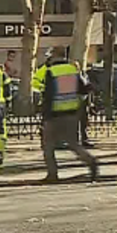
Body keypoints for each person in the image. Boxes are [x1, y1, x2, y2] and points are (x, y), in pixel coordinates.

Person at [41, 48, 98, 183]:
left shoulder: (51, 72)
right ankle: (91, 161)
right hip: (72, 113)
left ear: (55, 57)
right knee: (73, 144)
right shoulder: (73, 70)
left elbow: (48, 96)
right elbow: (86, 88)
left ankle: (52, 174)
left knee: (48, 145)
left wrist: (45, 116)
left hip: (54, 115)